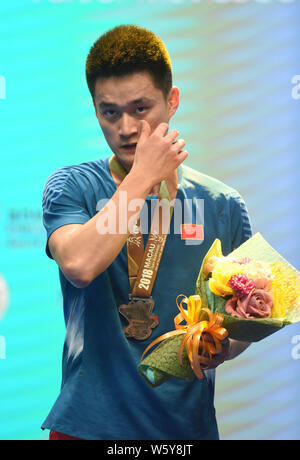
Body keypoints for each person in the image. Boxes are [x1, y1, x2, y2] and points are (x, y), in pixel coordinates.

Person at [42, 25, 252, 441]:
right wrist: (142, 178)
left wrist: (222, 348)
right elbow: (80, 265)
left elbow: (248, 318)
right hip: (87, 428)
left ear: (171, 101)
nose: (125, 128)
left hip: (185, 428)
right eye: (109, 111)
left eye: (140, 109)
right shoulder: (72, 186)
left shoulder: (223, 203)